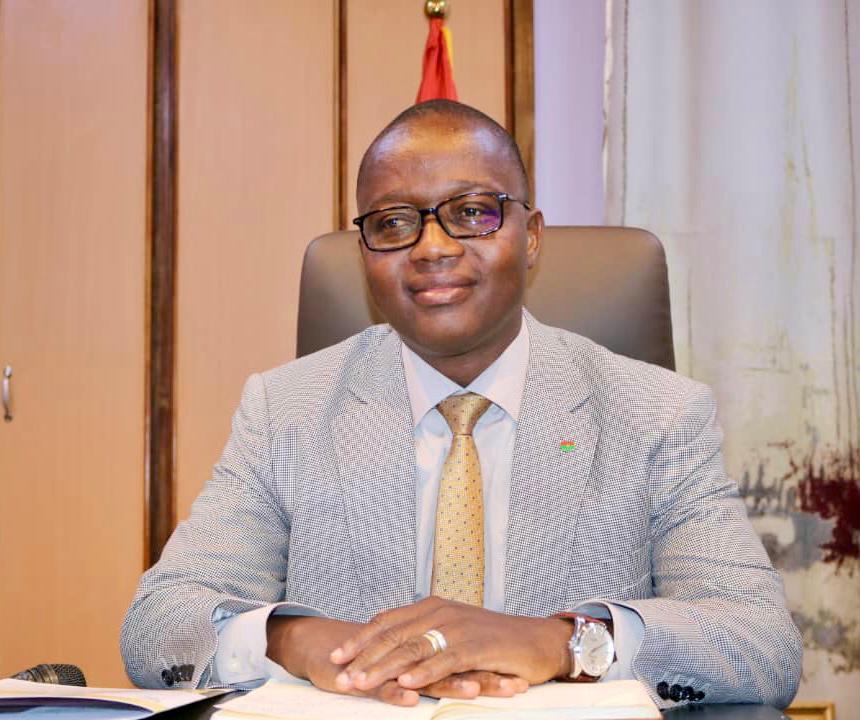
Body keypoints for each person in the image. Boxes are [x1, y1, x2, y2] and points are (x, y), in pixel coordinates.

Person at [121, 100, 802, 709]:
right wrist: (293, 639)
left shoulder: (657, 414)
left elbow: (760, 642)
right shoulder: (286, 411)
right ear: (365, 253)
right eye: (394, 223)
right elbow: (159, 622)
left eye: (472, 213)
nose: (433, 248)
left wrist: (560, 644)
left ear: (531, 236)